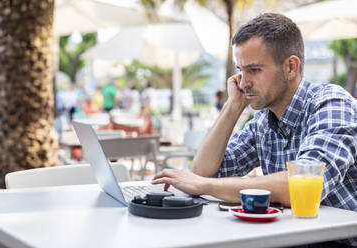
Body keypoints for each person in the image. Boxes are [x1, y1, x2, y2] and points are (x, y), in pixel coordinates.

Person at [152, 13, 357, 247]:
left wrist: (203, 186)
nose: (243, 82)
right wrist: (233, 105)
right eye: (241, 70)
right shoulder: (263, 120)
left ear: (291, 67)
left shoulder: (332, 103)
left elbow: (299, 185)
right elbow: (204, 171)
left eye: (254, 70)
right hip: (291, 239)